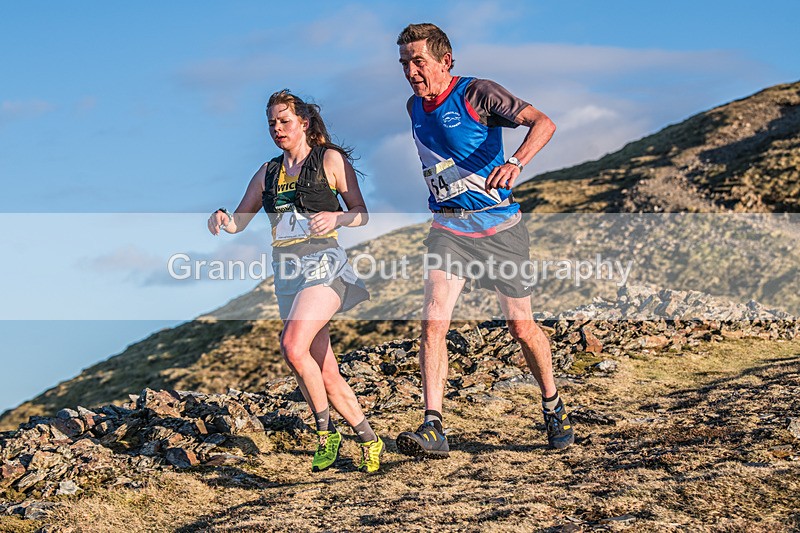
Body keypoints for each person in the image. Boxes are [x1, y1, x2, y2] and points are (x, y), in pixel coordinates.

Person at [394, 23, 575, 456]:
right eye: (404, 64)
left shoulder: (478, 93)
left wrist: (516, 161)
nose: (411, 72)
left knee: (520, 327)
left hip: (499, 228)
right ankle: (433, 426)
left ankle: (552, 404)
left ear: (445, 60)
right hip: (449, 229)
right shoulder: (413, 106)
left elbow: (543, 123)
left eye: (418, 61)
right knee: (433, 322)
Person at [207, 90, 384, 473]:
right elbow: (240, 220)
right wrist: (223, 217)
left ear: (303, 122)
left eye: (284, 121)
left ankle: (326, 433)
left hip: (324, 263)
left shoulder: (328, 160)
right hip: (286, 272)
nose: (277, 128)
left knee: (291, 345)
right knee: (323, 370)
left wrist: (336, 218)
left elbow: (360, 213)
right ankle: (370, 439)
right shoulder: (267, 171)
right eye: (271, 123)